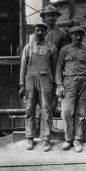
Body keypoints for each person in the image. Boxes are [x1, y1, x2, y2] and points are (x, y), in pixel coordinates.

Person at [56, 26, 86, 152]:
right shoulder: (64, 50)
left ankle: (78, 139)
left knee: (81, 113)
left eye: (80, 35)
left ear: (83, 36)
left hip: (84, 81)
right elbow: (58, 66)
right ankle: (68, 139)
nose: (78, 37)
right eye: (75, 35)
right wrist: (59, 84)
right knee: (66, 111)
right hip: (68, 82)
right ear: (71, 35)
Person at [19, 22, 58, 152]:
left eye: (42, 30)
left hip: (46, 80)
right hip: (30, 80)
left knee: (46, 109)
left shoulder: (51, 48)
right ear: (34, 32)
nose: (40, 32)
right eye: (37, 30)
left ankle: (46, 139)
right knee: (29, 108)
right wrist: (22, 85)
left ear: (46, 32)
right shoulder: (28, 47)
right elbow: (23, 67)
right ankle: (30, 137)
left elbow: (55, 68)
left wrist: (55, 84)